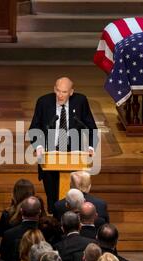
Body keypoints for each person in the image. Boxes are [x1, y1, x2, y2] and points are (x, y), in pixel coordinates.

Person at [29, 77, 98, 213]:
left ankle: (71, 223)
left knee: (73, 198)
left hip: (73, 156)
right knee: (52, 198)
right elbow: (34, 129)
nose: (60, 95)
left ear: (71, 92)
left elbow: (91, 128)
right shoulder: (43, 102)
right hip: (49, 155)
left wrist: (90, 147)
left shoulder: (80, 101)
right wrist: (38, 146)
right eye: (58, 91)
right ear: (54, 89)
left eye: (64, 92)